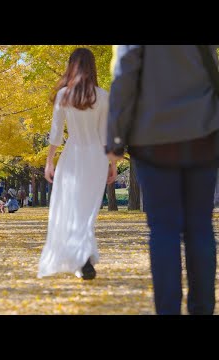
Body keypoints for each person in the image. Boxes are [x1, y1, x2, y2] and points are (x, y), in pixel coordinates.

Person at [106, 45, 219, 315]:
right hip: (204, 131)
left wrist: (115, 138)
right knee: (200, 226)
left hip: (152, 136)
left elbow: (123, 76)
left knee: (163, 229)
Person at [37, 48, 117, 280]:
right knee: (87, 210)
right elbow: (105, 135)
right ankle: (84, 257)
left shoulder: (64, 95)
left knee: (71, 207)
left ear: (71, 66)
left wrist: (49, 161)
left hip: (72, 155)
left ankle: (82, 257)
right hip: (96, 157)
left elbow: (55, 134)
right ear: (92, 67)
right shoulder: (103, 96)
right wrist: (112, 164)